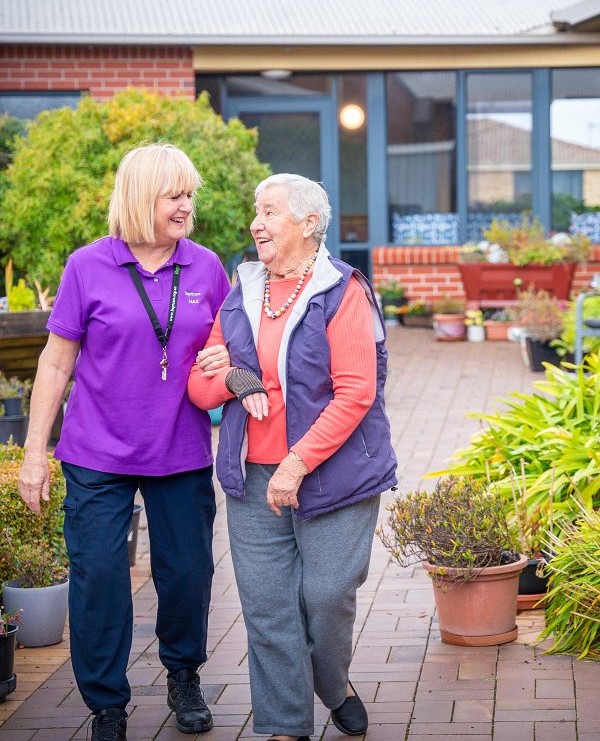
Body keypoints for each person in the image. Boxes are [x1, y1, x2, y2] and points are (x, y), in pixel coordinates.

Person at [19, 144, 231, 741]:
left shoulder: (207, 267)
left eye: (190, 194)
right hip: (96, 451)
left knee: (188, 574)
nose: (187, 205)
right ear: (143, 200)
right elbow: (57, 363)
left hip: (181, 449)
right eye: (175, 196)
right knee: (100, 576)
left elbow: (231, 345)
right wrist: (36, 451)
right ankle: (107, 704)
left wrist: (227, 358)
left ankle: (183, 674)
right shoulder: (87, 266)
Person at [188, 173, 397, 741]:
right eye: (255, 210)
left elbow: (356, 391)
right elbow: (200, 387)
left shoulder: (341, 290)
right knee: (269, 610)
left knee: (326, 596)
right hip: (252, 478)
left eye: (271, 211)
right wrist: (233, 376)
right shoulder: (242, 292)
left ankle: (332, 686)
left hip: (333, 475)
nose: (256, 222)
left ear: (309, 224)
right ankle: (285, 727)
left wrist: (297, 462)